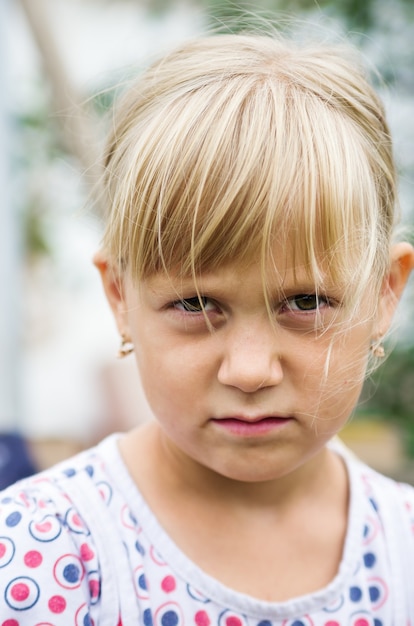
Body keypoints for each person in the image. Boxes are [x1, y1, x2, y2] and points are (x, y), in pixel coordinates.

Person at [1, 31, 414, 625]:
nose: (249, 371)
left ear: (383, 294)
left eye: (305, 300)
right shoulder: (42, 555)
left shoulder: (402, 553)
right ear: (120, 295)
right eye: (195, 305)